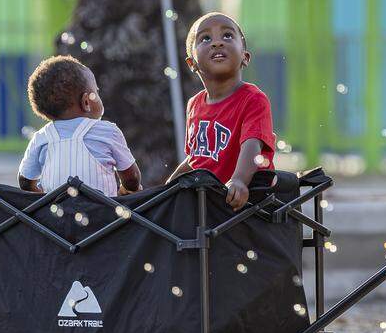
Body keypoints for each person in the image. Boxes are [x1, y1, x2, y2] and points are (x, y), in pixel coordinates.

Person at [167, 12, 276, 211]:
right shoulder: (194, 104)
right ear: (191, 63)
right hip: (206, 205)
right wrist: (166, 190)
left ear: (245, 56)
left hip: (244, 206)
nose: (217, 43)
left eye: (227, 36)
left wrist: (239, 180)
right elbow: (196, 160)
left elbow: (252, 146)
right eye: (205, 38)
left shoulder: (253, 99)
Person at [18, 55, 141, 196]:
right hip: (105, 216)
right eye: (96, 91)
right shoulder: (108, 131)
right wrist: (127, 190)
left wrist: (44, 200)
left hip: (54, 216)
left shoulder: (40, 138)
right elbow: (132, 178)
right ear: (86, 102)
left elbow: (25, 182)